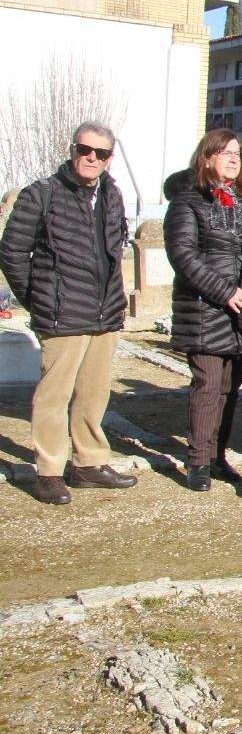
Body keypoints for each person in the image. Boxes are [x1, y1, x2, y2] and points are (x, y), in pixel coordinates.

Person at [0, 121, 137, 505]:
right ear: (73, 149)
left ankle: (89, 464)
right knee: (53, 395)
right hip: (62, 312)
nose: (92, 158)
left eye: (102, 153)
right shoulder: (41, 194)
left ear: (110, 159)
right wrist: (39, 298)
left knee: (93, 393)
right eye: (85, 150)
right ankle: (48, 470)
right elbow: (11, 253)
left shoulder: (112, 193)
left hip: (105, 312)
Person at [163, 130, 242, 492]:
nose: (234, 159)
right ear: (206, 157)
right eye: (225, 152)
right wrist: (225, 292)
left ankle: (218, 456)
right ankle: (198, 461)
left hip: (239, 309)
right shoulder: (188, 201)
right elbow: (183, 256)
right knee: (208, 383)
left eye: (238, 153)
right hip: (205, 307)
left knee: (230, 388)